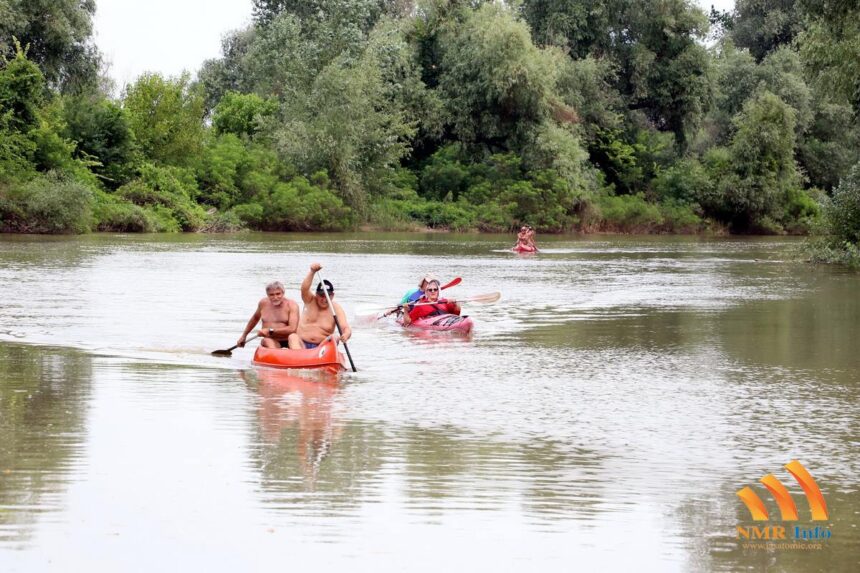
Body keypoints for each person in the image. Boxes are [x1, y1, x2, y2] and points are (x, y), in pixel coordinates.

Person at [287, 263, 352, 350]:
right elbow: (304, 289)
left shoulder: (336, 308)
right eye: (321, 295)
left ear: (332, 295)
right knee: (292, 337)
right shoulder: (310, 300)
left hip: (322, 348)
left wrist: (346, 335)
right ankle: (299, 355)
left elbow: (345, 327)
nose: (324, 299)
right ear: (316, 295)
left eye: (327, 296)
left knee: (335, 337)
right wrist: (312, 272)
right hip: (302, 345)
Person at [237, 281, 300, 349]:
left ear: (283, 293)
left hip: (288, 339)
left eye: (278, 294)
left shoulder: (292, 305)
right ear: (267, 295)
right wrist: (244, 336)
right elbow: (255, 318)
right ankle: (275, 353)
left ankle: (297, 353)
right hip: (271, 340)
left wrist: (270, 330)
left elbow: (292, 329)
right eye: (271, 295)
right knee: (267, 341)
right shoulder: (263, 303)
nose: (275, 297)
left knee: (293, 337)